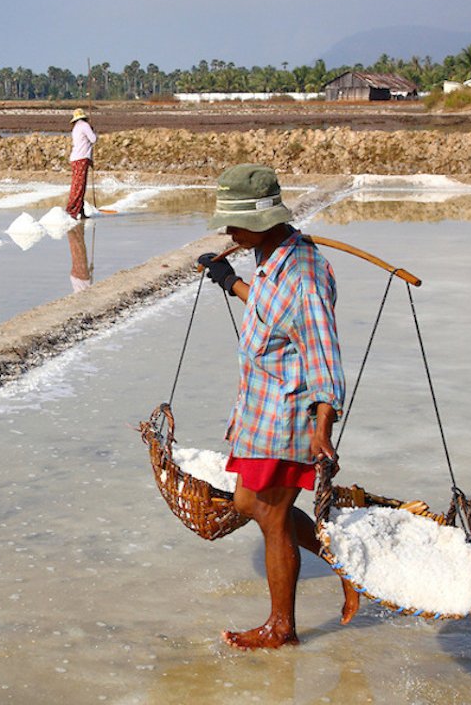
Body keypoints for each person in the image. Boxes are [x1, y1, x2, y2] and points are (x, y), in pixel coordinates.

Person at [196, 163, 360, 650]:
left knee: (270, 516)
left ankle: (281, 627)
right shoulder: (271, 259)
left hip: (289, 413)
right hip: (260, 407)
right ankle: (344, 566)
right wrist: (228, 282)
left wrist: (322, 429)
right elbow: (271, 312)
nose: (227, 231)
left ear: (263, 220)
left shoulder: (304, 274)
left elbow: (323, 357)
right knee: (250, 502)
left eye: (234, 222)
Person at [66, 108, 96, 220]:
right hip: (81, 159)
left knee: (78, 185)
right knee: (79, 186)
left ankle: (80, 211)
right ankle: (72, 210)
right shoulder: (84, 126)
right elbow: (93, 139)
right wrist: (92, 131)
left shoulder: (76, 128)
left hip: (76, 159)